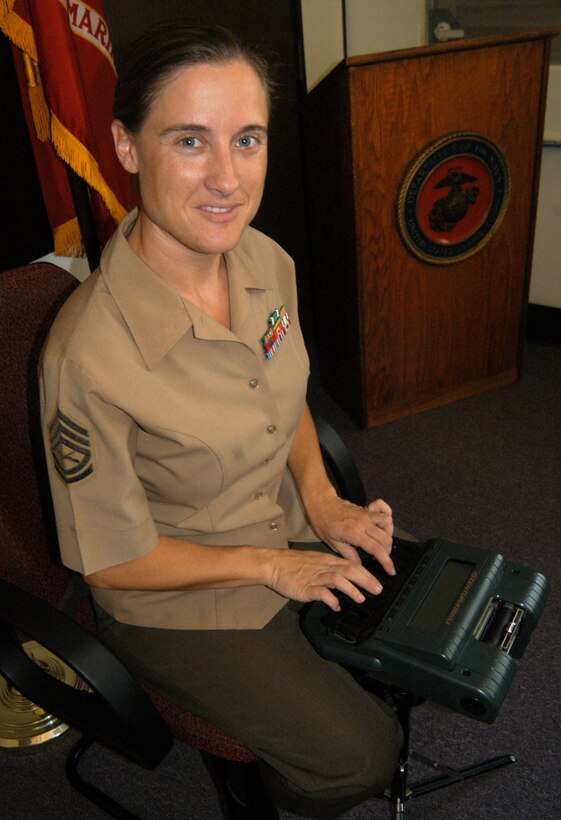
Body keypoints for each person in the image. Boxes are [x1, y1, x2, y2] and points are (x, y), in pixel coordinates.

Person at [40, 22, 403, 818]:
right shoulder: (87, 358)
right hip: (178, 601)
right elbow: (110, 563)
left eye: (247, 139)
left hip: (279, 525)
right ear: (126, 147)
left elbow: (283, 400)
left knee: (440, 611)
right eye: (189, 141)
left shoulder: (266, 262)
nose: (226, 179)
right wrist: (271, 566)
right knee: (362, 756)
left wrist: (321, 500)